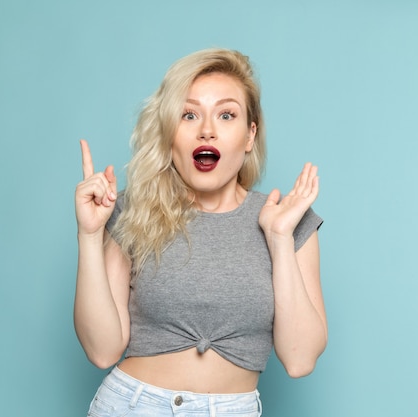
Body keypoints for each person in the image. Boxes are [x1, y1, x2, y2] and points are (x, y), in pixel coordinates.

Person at [74, 48, 327, 417]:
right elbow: (102, 350)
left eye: (226, 115)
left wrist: (280, 240)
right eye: (188, 114)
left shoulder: (288, 220)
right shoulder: (133, 210)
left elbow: (300, 360)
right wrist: (89, 235)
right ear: (169, 133)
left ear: (249, 135)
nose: (206, 129)